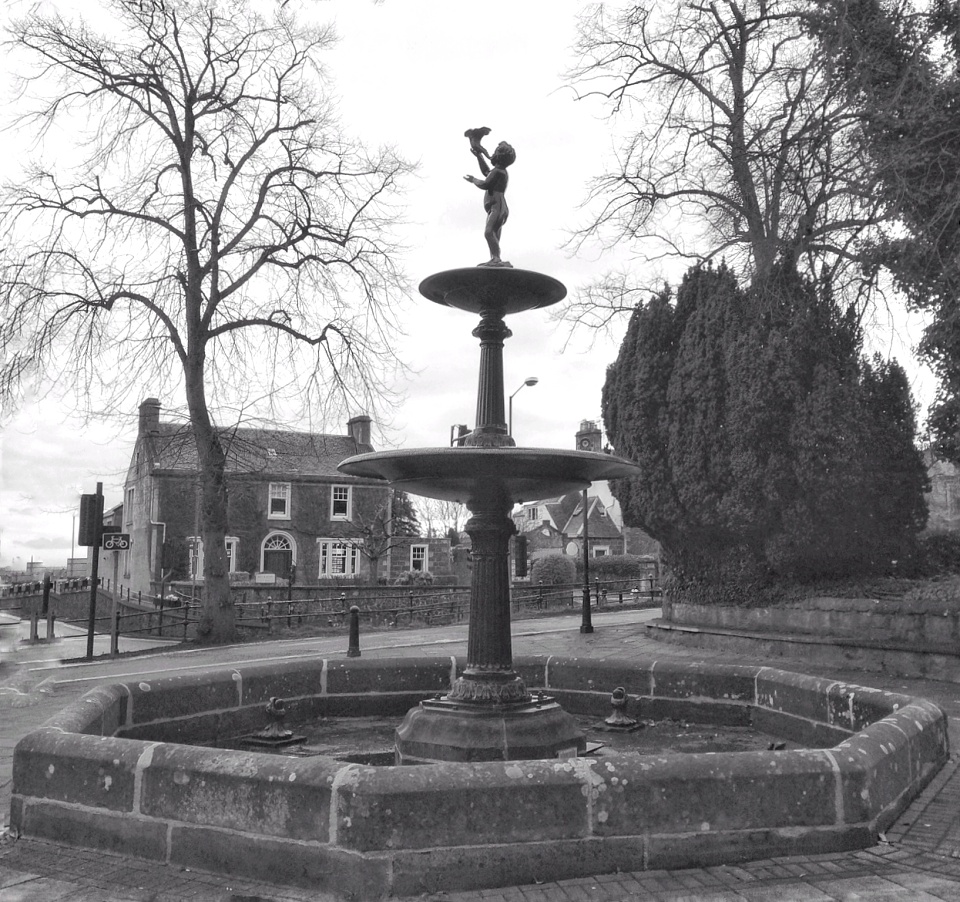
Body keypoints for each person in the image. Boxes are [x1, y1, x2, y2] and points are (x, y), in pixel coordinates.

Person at [464, 138, 516, 267]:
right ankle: (495, 258)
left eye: (495, 152)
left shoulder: (499, 172)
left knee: (488, 232)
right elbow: (487, 173)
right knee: (494, 235)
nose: (492, 154)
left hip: (497, 207)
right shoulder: (498, 171)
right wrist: (479, 156)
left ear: (499, 157)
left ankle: (496, 258)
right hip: (497, 207)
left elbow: (485, 183)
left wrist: (473, 180)